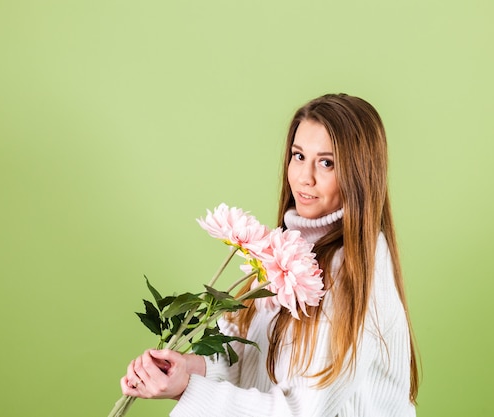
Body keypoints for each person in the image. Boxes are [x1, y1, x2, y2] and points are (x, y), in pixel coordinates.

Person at [121, 93, 420, 416]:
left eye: (327, 162)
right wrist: (189, 370)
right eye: (298, 155)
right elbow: (246, 362)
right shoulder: (285, 252)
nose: (305, 177)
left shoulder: (357, 268)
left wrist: (190, 390)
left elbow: (303, 411)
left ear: (360, 173)